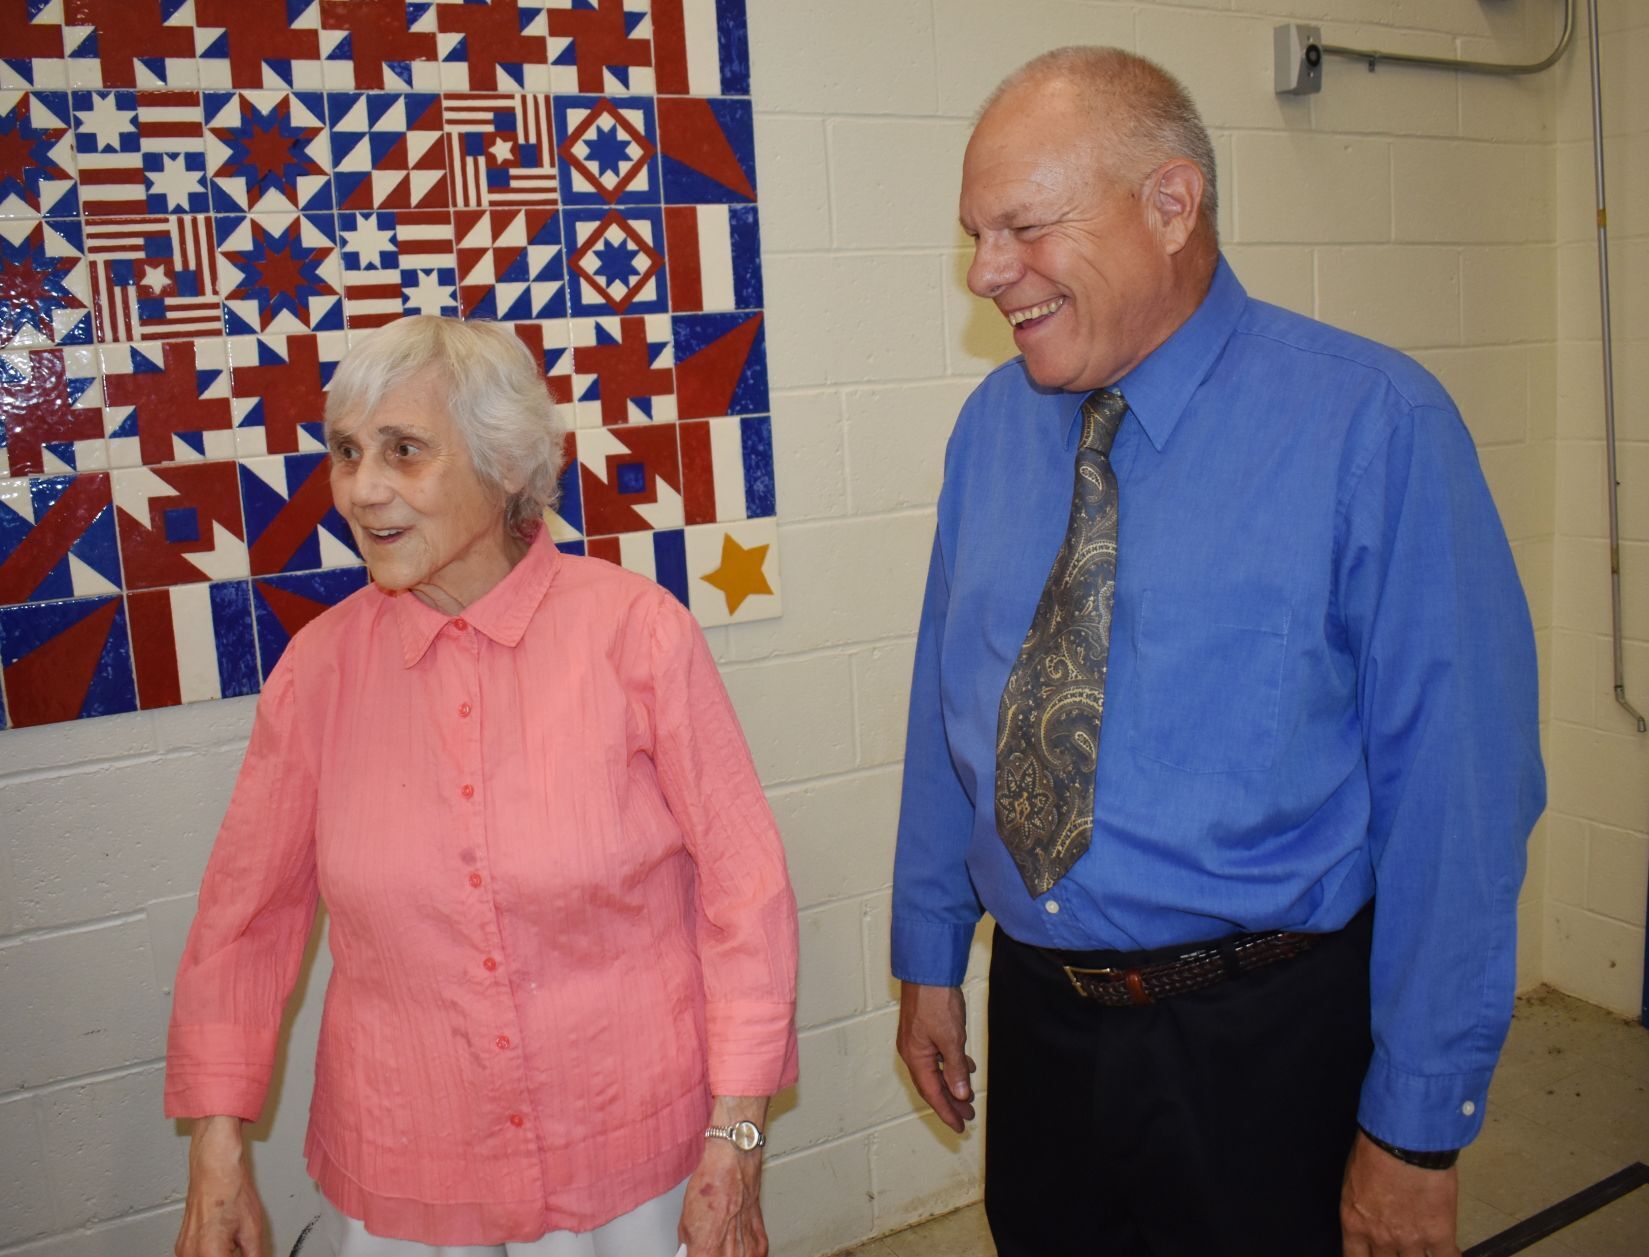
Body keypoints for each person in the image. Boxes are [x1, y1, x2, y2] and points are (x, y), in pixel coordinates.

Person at [891, 47, 1544, 1257]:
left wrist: (1412, 1131)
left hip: (1267, 1047)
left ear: (1170, 205)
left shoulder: (1373, 428)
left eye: (1023, 227)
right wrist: (927, 951)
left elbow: (1456, 802)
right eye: (976, 234)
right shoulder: (991, 431)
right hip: (1041, 1027)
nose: (986, 273)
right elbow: (954, 713)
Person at [165, 316, 799, 1257]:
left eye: (403, 451)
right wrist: (216, 1152)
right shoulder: (318, 673)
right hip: (407, 1170)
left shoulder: (637, 634)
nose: (360, 489)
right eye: (346, 452)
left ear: (504, 464)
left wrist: (736, 1138)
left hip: (631, 1159)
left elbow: (746, 898)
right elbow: (243, 919)